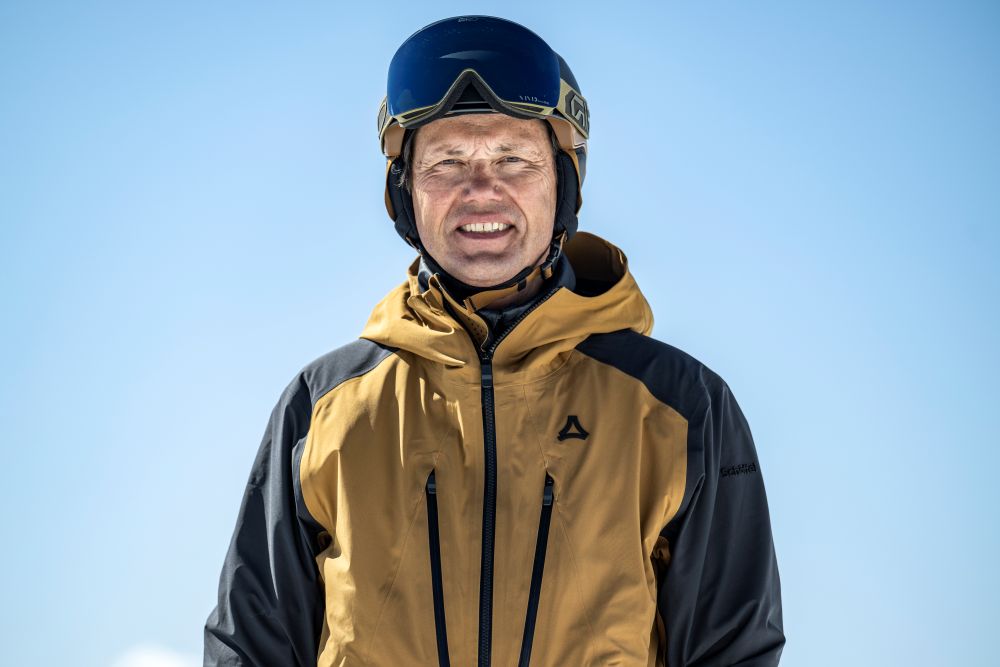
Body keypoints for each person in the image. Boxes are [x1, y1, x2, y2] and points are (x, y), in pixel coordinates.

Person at [205, 15, 784, 667]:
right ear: (404, 190)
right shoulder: (323, 409)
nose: (481, 189)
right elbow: (249, 647)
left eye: (514, 160)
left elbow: (733, 651)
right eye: (447, 162)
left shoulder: (680, 408)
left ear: (564, 181)